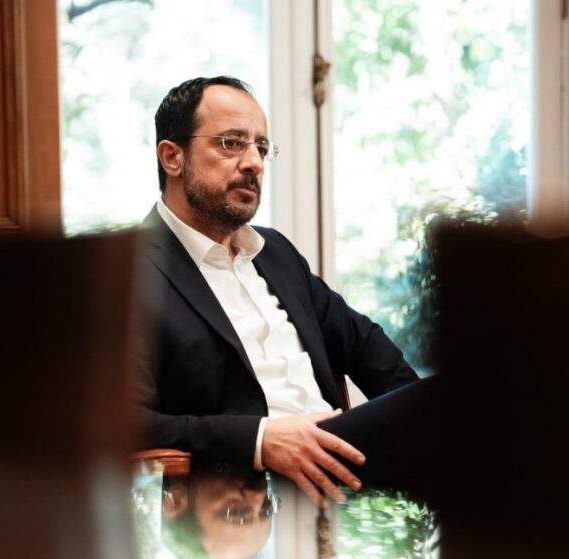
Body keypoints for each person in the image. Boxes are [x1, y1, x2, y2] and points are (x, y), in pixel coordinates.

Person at [136, 76, 439, 508]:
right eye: (231, 143)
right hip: (244, 499)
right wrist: (260, 440)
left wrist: (422, 428)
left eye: (261, 148)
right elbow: (121, 423)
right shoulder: (125, 272)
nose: (254, 163)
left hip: (345, 470)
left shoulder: (275, 252)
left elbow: (365, 346)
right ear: (172, 157)